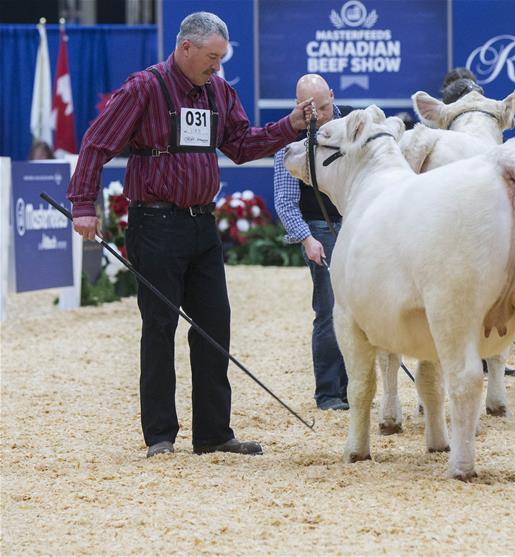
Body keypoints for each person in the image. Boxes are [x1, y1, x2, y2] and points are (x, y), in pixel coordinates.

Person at [67, 12, 311, 458]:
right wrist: (83, 204)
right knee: (160, 328)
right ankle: (161, 436)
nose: (217, 67)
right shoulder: (145, 87)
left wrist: (290, 125)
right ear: (185, 47)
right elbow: (97, 144)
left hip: (202, 225)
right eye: (212, 57)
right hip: (155, 224)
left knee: (214, 324)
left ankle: (214, 434)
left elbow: (242, 146)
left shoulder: (219, 91)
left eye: (221, 58)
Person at [273, 74, 350, 411]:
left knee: (361, 309)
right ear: (298, 105)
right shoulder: (290, 137)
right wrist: (307, 239)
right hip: (319, 227)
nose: (319, 115)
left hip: (356, 222)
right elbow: (285, 201)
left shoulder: (353, 123)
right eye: (310, 109)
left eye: (324, 106)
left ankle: (356, 389)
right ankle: (330, 393)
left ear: (332, 95)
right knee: (330, 308)